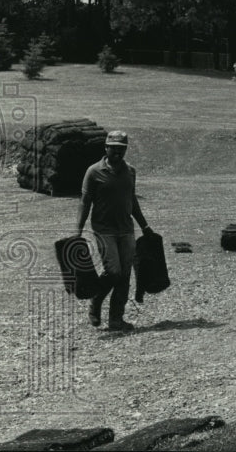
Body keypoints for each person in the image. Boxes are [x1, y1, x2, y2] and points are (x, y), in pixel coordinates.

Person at [76, 130, 154, 331]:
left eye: (122, 149)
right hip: (104, 230)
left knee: (125, 274)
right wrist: (78, 229)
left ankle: (116, 319)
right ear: (106, 148)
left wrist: (144, 225)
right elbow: (85, 202)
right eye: (114, 149)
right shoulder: (93, 172)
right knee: (113, 271)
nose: (118, 153)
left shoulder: (131, 171)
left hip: (126, 230)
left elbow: (132, 199)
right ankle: (96, 300)